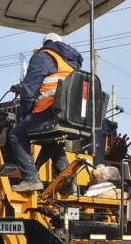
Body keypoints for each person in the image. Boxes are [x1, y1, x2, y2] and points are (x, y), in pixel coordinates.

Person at [8, 32, 83, 193]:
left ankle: (31, 179)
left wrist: (26, 114)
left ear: (46, 43)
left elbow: (29, 90)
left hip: (49, 110)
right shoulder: (71, 63)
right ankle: (67, 181)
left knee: (16, 134)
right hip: (71, 118)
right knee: (51, 139)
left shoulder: (43, 56)